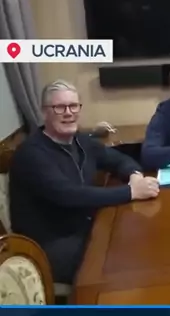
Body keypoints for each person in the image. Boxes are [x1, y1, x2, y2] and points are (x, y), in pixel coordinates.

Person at [9, 79, 159, 286]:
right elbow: (69, 195)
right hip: (49, 247)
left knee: (141, 241)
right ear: (45, 112)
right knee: (123, 262)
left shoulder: (81, 141)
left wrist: (134, 175)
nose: (68, 113)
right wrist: (131, 192)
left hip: (85, 228)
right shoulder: (31, 154)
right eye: (59, 107)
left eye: (73, 106)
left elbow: (119, 160)